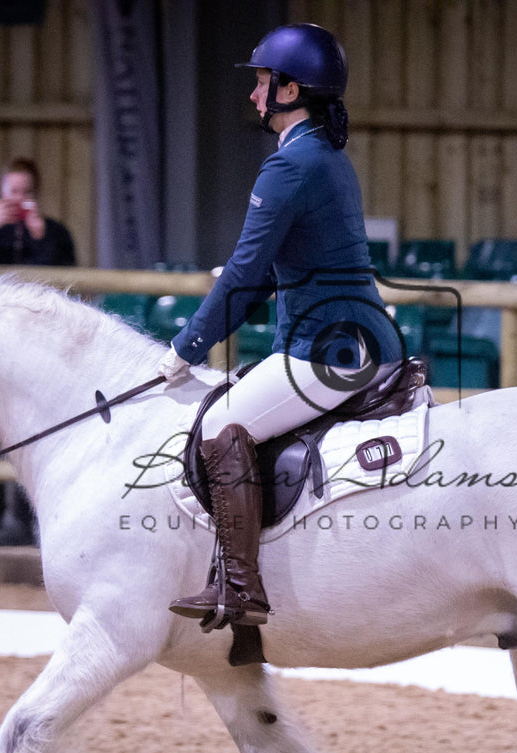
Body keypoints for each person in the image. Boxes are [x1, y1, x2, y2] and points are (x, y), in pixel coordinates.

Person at [156, 23, 403, 628]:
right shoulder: (324, 153)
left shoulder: (290, 167)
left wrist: (185, 348)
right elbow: (267, 273)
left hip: (326, 350)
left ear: (290, 90)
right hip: (355, 340)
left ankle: (240, 587)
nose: (253, 94)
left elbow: (244, 271)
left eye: (262, 82)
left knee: (219, 424)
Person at [0, 157, 77, 545]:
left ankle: (24, 520)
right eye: (13, 192)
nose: (19, 199)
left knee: (30, 431)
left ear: (36, 195)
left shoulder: (54, 233)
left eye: (26, 193)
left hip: (39, 349)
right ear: (3, 192)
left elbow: (64, 274)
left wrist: (38, 235)